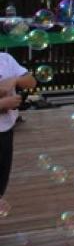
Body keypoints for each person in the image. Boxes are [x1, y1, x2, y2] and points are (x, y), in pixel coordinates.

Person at [0, 51, 37, 200]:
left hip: (5, 130)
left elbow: (31, 81)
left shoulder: (5, 59)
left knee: (2, 178)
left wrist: (14, 80)